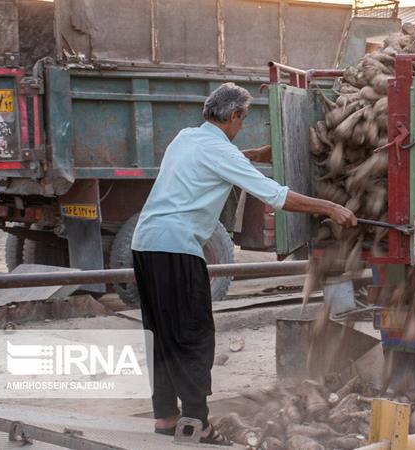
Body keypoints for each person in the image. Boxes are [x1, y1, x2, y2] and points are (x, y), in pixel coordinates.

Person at [131, 82, 356, 445]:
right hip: (177, 247)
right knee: (193, 334)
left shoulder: (185, 138)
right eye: (243, 119)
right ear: (234, 115)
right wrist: (331, 207)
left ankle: (166, 416)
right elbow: (278, 197)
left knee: (160, 334)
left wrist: (257, 154)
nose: (242, 126)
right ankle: (197, 423)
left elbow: (224, 158)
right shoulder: (222, 153)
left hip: (145, 245)